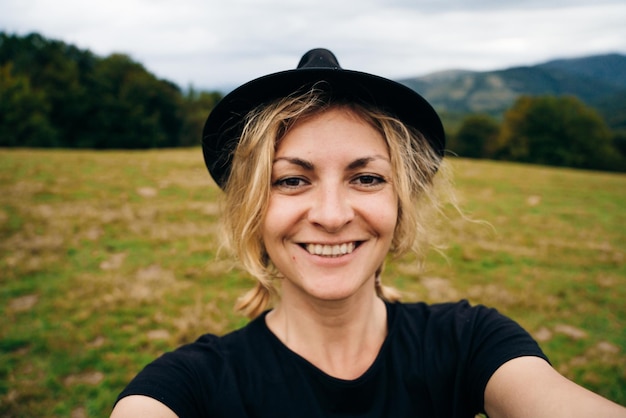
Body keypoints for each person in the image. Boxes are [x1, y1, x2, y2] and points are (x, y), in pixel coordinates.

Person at [111, 49, 626, 418]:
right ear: (253, 210)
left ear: (399, 204)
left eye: (367, 178)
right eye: (292, 180)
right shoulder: (188, 389)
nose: (332, 215)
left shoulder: (471, 344)